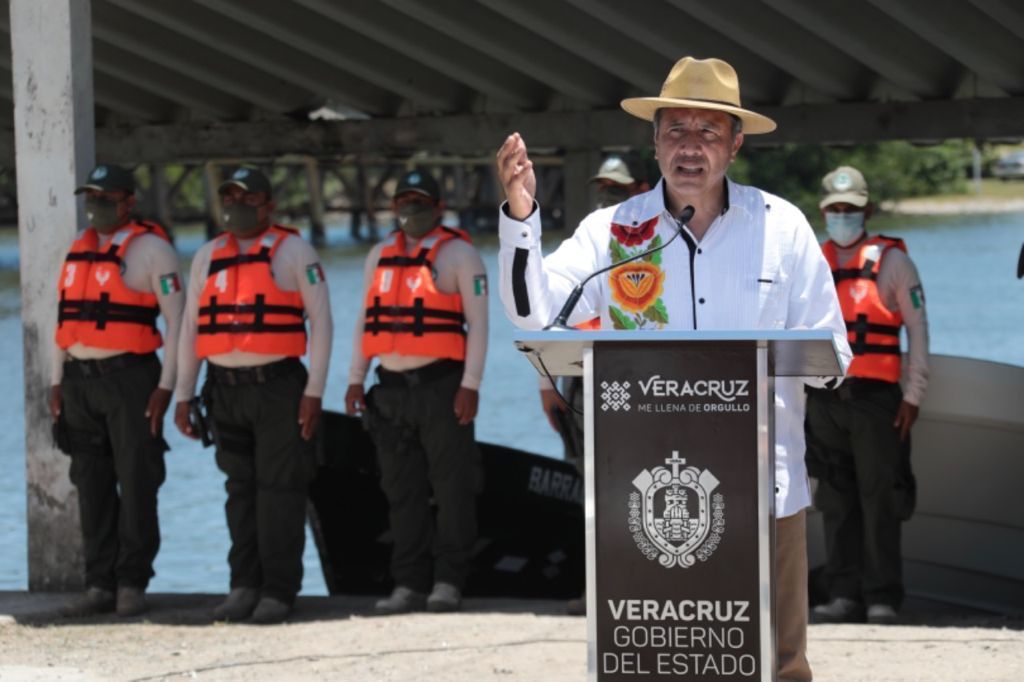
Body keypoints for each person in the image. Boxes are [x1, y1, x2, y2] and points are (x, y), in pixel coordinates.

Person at [495, 56, 852, 681]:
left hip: (765, 487)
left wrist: (803, 365)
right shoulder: (613, 231)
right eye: (676, 131)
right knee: (654, 660)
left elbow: (834, 354)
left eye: (708, 132)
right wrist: (522, 219)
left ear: (736, 143)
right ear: (654, 142)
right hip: (642, 490)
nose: (691, 148)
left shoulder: (784, 228)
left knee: (779, 661)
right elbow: (534, 315)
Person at [173, 167, 332, 624]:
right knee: (238, 491)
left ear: (268, 205)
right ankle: (243, 585)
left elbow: (321, 322)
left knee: (280, 491)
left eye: (247, 197)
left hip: (279, 388)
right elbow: (190, 327)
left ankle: (279, 591)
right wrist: (184, 394)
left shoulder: (295, 251)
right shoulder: (206, 256)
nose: (237, 205)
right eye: (230, 196)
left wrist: (314, 392)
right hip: (223, 391)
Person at [345, 170, 487, 615]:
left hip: (441, 387)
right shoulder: (378, 255)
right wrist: (354, 377)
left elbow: (480, 327)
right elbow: (365, 319)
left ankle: (449, 580)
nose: (411, 209)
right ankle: (408, 583)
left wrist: (471, 385)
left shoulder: (461, 255)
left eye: (420, 201)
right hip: (388, 390)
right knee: (400, 490)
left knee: (451, 489)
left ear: (439, 208)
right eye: (404, 200)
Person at [52, 164, 184, 618]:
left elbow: (179, 322)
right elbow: (64, 321)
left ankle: (132, 581)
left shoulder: (153, 251)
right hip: (79, 384)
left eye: (106, 198)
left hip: (131, 381)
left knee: (138, 480)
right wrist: (57, 380)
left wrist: (168, 387)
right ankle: (99, 584)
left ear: (129, 202)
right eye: (91, 196)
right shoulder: (78, 249)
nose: (96, 205)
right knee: (90, 485)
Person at [806, 166, 929, 625]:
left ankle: (882, 596)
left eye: (851, 210)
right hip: (825, 400)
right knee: (835, 501)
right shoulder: (811, 264)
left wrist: (913, 394)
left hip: (878, 400)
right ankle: (843, 593)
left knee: (881, 499)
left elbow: (918, 330)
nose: (843, 217)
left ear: (868, 211)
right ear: (823, 212)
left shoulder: (895, 263)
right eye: (835, 209)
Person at [538, 155, 648, 616]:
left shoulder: (657, 246)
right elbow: (546, 314)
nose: (608, 196)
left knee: (642, 491)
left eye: (617, 188)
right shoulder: (580, 247)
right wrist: (546, 382)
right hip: (584, 386)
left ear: (640, 189)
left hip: (641, 388)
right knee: (593, 495)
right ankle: (598, 588)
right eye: (602, 187)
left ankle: (644, 588)